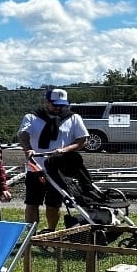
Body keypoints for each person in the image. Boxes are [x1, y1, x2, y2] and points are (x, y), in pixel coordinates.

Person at [17, 88, 88, 232]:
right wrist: (28, 149)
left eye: (62, 105)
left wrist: (65, 150)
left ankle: (50, 230)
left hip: (58, 169)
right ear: (46, 102)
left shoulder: (73, 118)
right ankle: (31, 233)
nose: (58, 108)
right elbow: (23, 134)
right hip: (36, 168)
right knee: (32, 203)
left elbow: (82, 139)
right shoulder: (32, 117)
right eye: (55, 105)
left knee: (53, 204)